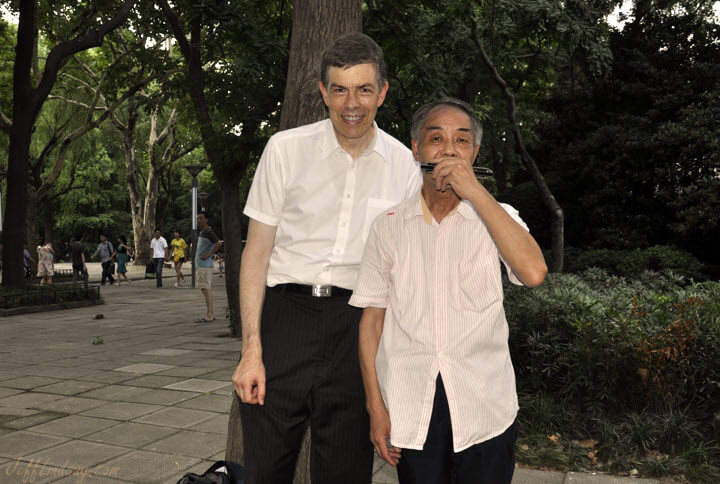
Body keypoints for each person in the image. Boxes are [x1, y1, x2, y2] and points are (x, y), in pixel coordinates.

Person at [231, 33, 423, 484]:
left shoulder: (404, 168)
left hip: (357, 328)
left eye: (363, 89)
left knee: (345, 473)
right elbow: (255, 255)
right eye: (339, 89)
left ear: (382, 92)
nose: (351, 103)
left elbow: (408, 274)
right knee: (264, 472)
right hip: (284, 321)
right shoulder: (284, 150)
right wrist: (251, 350)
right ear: (323, 92)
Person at [350, 98, 548, 484]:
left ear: (474, 153)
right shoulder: (387, 227)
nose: (448, 149)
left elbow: (534, 273)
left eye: (461, 140)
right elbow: (371, 323)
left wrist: (476, 193)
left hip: (484, 403)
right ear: (416, 148)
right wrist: (376, 407)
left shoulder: (497, 216)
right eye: (436, 138)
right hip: (411, 402)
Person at [194, 212, 223, 323]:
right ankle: (210, 313)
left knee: (206, 289)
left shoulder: (208, 232)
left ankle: (209, 314)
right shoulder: (203, 232)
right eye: (197, 219)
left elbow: (218, 243)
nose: (199, 220)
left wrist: (209, 255)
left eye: (201, 218)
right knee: (205, 289)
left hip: (204, 266)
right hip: (201, 265)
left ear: (206, 219)